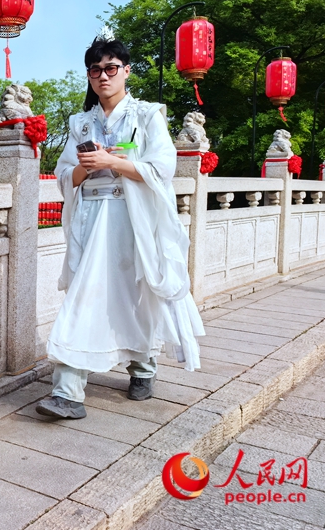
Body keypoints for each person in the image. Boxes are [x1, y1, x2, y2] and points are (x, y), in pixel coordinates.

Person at [36, 32, 204, 420]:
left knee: (134, 295)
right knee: (82, 297)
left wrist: (115, 163)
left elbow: (163, 167)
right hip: (91, 221)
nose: (103, 77)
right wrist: (84, 166)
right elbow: (65, 176)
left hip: (133, 221)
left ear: (126, 71)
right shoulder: (81, 123)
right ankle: (67, 391)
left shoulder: (147, 116)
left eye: (111, 68)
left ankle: (143, 365)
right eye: (95, 70)